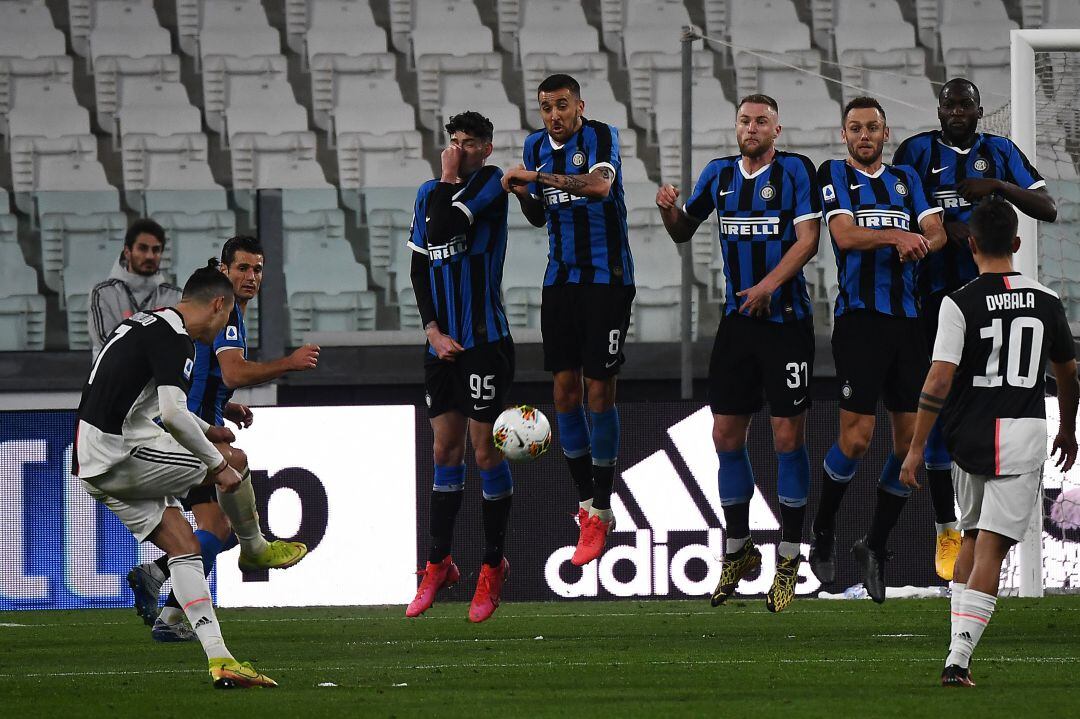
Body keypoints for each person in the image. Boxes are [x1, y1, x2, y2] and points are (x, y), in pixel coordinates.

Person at [899, 198, 1077, 687]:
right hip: (1020, 436)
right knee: (990, 551)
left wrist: (916, 448)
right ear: (1017, 245)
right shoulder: (1047, 301)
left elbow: (938, 379)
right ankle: (958, 660)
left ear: (971, 244)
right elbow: (1067, 373)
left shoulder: (957, 303)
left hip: (967, 435)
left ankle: (957, 649)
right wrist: (1067, 427)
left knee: (972, 540)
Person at [74, 263, 277, 688]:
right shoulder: (177, 339)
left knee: (183, 544)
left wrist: (209, 428)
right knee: (233, 461)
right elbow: (170, 414)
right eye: (226, 320)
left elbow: (156, 407)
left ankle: (221, 660)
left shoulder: (147, 324)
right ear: (218, 305)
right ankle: (255, 548)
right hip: (120, 452)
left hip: (93, 460)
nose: (222, 329)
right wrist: (217, 465)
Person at [656, 94, 821, 612]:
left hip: (786, 324)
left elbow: (809, 240)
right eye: (745, 121)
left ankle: (790, 558)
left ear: (777, 128)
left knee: (786, 436)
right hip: (738, 324)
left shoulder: (796, 171)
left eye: (761, 121)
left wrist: (770, 284)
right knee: (725, 435)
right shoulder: (719, 173)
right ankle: (739, 548)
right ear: (736, 127)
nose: (751, 128)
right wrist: (669, 212)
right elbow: (685, 231)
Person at [893, 78, 1057, 581]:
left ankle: (970, 530)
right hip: (932, 299)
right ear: (939, 110)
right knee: (938, 401)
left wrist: (997, 187)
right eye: (950, 104)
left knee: (968, 402)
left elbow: (1046, 207)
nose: (957, 111)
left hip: (995, 306)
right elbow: (896, 210)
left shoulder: (1000, 152)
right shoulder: (916, 151)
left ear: (980, 110)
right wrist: (944, 223)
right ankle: (949, 526)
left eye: (966, 104)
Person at [127, 236, 319, 641]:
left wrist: (226, 406)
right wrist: (289, 363)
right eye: (243, 268)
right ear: (225, 272)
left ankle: (168, 610)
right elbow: (232, 371)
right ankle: (255, 550)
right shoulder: (225, 312)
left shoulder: (224, 313)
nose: (251, 277)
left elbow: (208, 375)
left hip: (192, 423)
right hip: (184, 433)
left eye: (258, 269)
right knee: (236, 464)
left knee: (217, 530)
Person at [810, 96, 947, 603]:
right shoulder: (835, 174)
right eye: (855, 128)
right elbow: (844, 236)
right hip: (860, 322)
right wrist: (897, 235)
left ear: (885, 134)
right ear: (844, 135)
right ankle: (823, 530)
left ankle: (874, 544)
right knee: (858, 438)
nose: (864, 135)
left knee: (910, 444)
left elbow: (936, 231)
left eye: (872, 128)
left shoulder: (908, 179)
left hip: (908, 324)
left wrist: (922, 241)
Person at [502, 73, 635, 566]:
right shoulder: (536, 144)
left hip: (608, 279)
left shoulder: (600, 136)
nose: (554, 116)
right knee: (563, 390)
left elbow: (600, 187)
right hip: (560, 278)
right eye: (546, 108)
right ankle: (589, 507)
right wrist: (522, 193)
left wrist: (534, 178)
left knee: (600, 389)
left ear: (580, 105)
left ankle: (602, 504)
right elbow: (540, 216)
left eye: (562, 106)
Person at [405, 111, 515, 623]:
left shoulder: (490, 185)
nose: (459, 150)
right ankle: (438, 564)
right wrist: (431, 330)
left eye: (469, 143)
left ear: (486, 149)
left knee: (483, 449)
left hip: (484, 342)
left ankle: (492, 566)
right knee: (443, 449)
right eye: (453, 142)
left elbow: (447, 226)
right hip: (441, 346)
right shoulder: (427, 191)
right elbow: (419, 264)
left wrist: (450, 179)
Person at [88, 219, 181, 359]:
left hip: (159, 380)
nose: (150, 256)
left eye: (156, 250)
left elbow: (181, 343)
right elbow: (107, 343)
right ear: (127, 252)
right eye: (142, 248)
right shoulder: (102, 293)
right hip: (114, 378)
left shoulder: (175, 296)